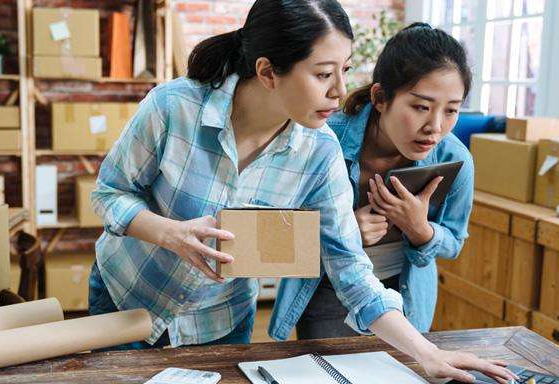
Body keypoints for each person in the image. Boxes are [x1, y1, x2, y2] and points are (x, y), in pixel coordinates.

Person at [89, 0, 516, 380]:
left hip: (218, 321)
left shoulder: (319, 150)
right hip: (129, 297)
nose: (340, 91)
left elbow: (350, 269)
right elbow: (109, 193)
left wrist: (428, 353)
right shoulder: (174, 106)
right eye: (323, 74)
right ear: (268, 71)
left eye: (344, 71)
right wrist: (169, 233)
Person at [295, 22, 475, 339]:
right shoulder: (324, 139)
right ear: (380, 97)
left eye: (451, 110)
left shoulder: (454, 160)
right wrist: (345, 233)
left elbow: (455, 242)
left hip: (407, 295)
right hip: (328, 289)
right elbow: (279, 232)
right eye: (420, 107)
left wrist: (422, 229)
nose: (435, 126)